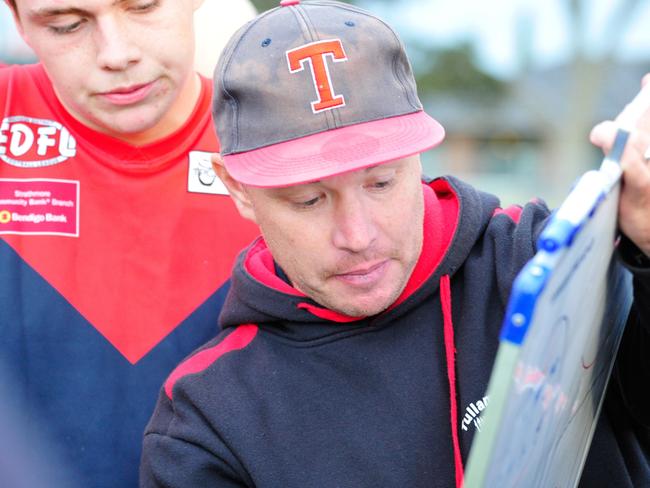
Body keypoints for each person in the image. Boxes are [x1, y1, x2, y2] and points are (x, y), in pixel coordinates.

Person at [140, 1, 650, 487]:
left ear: (418, 153)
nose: (357, 235)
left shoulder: (552, 262)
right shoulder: (207, 420)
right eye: (309, 200)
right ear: (238, 190)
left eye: (381, 183)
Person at [0, 1, 260, 487]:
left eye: (142, 6)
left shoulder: (278, 145)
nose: (116, 54)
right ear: (19, 23)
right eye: (67, 25)